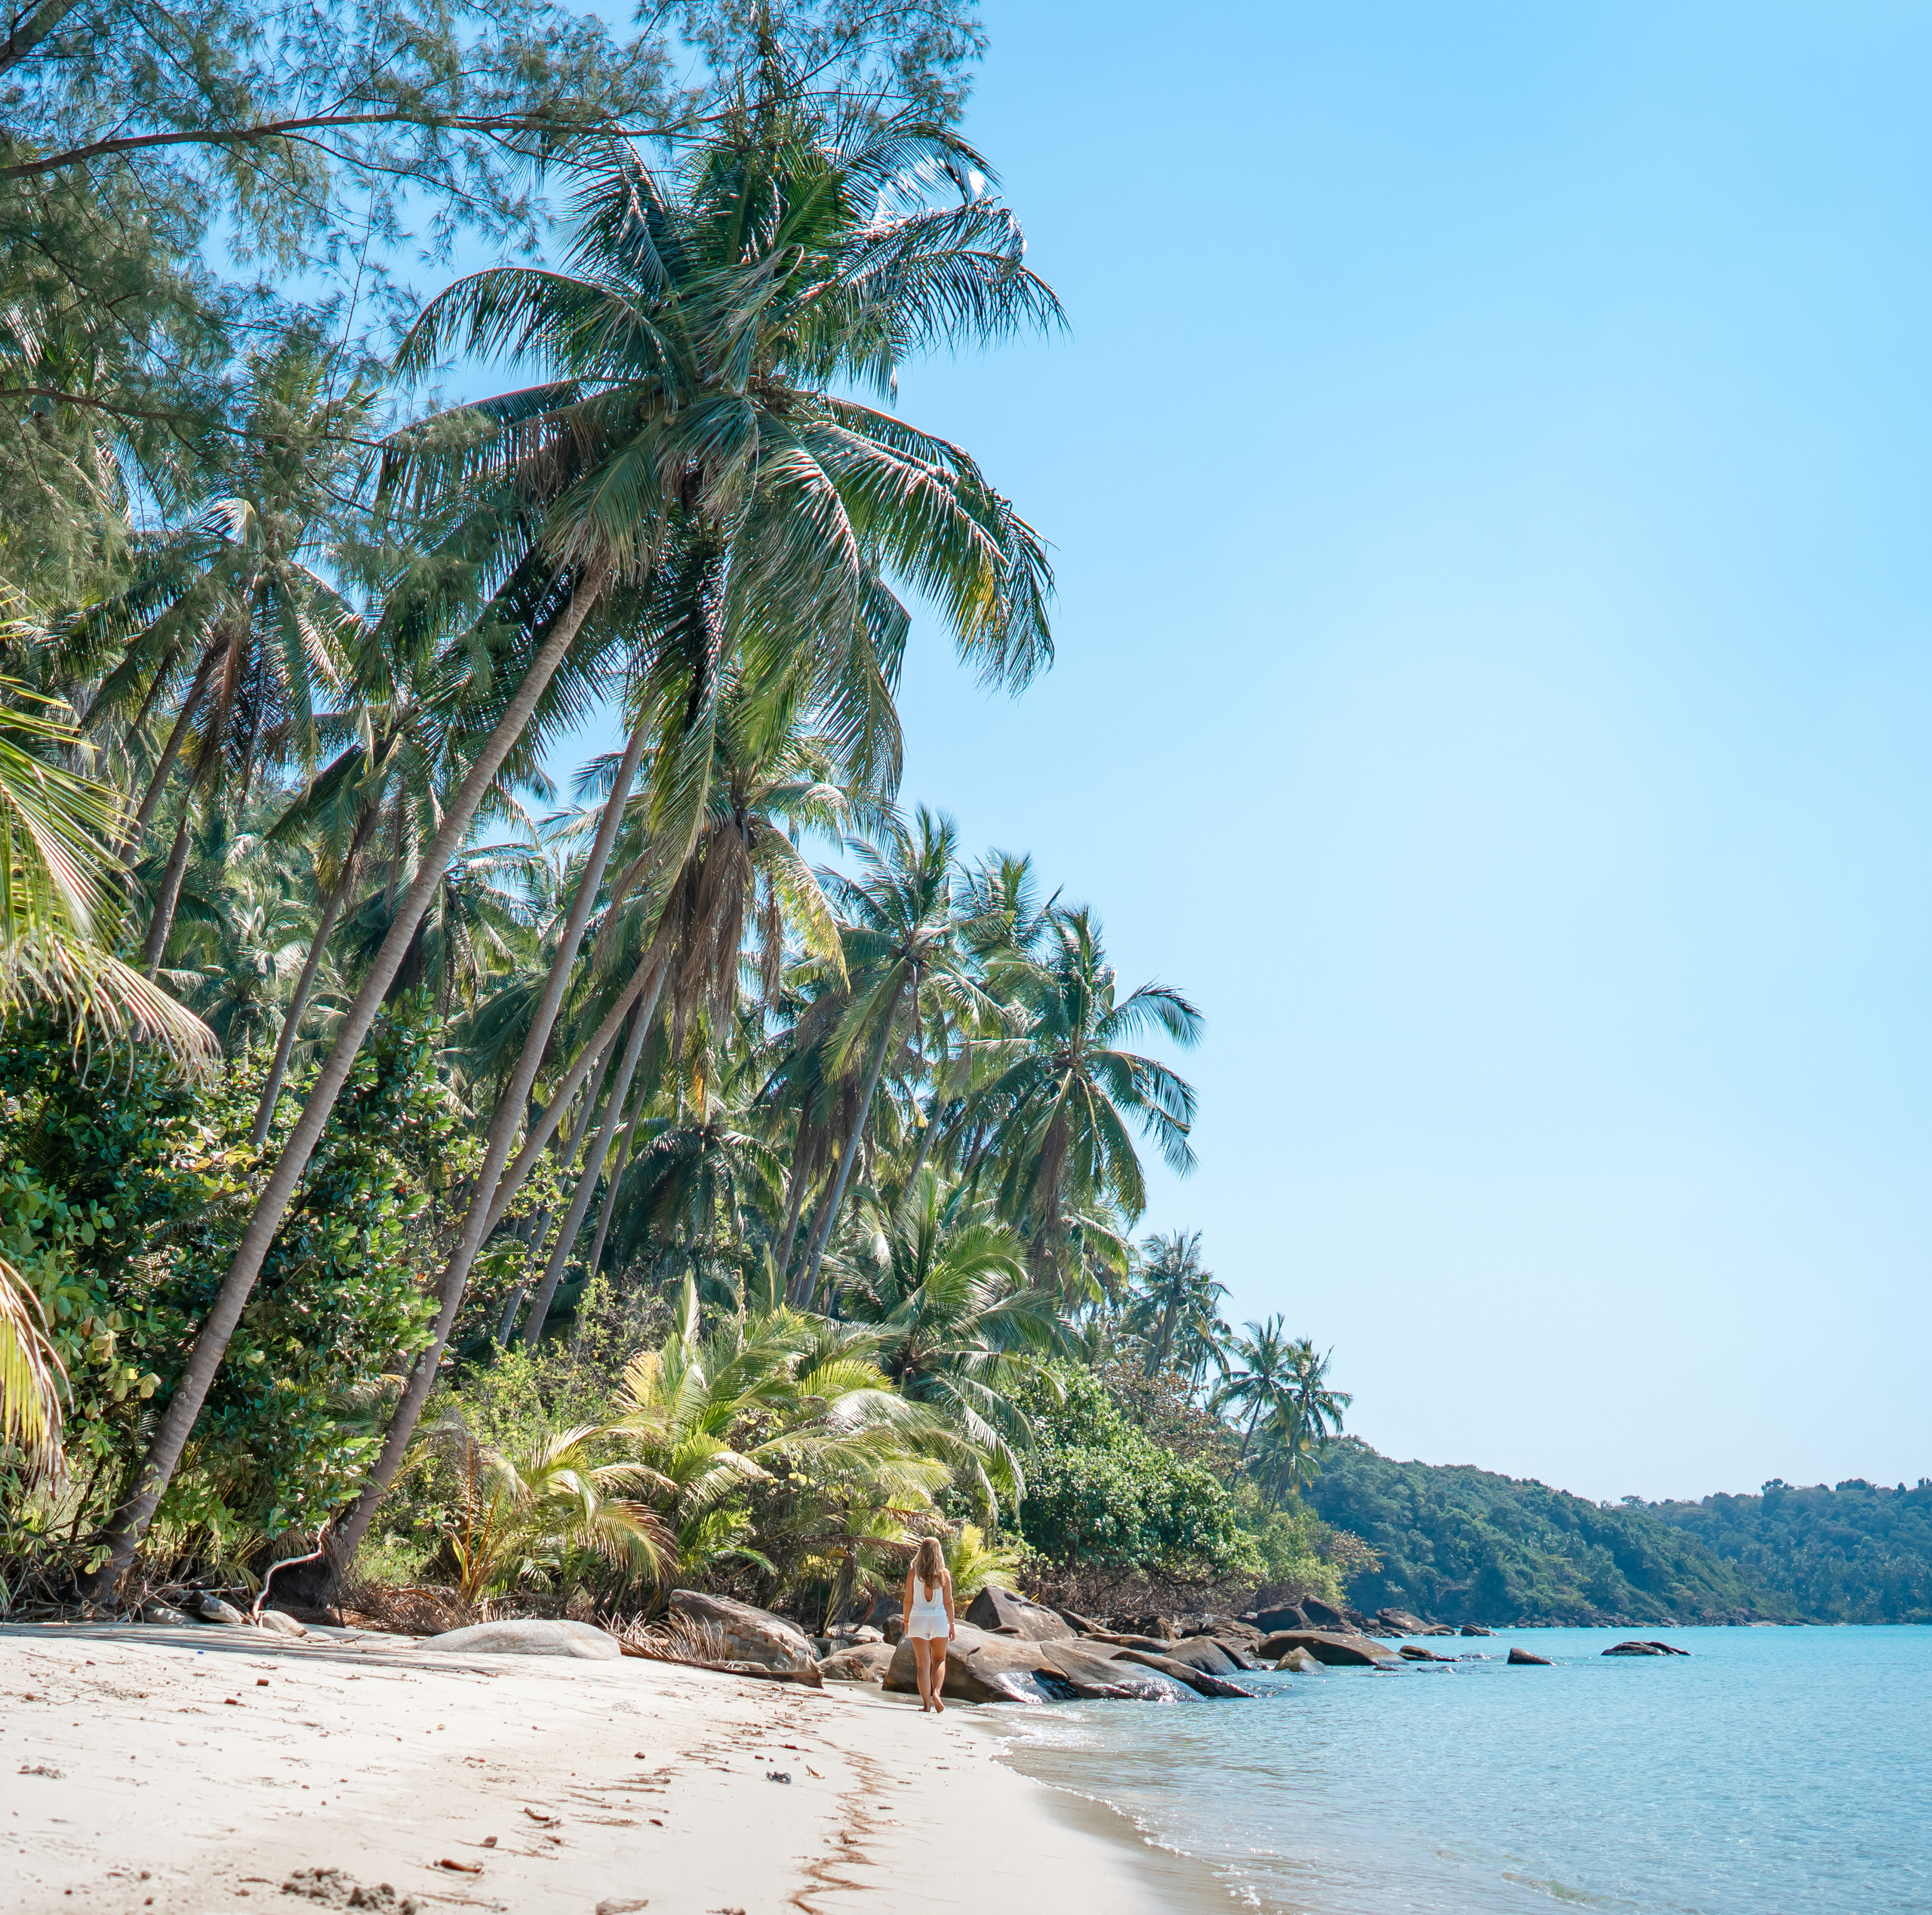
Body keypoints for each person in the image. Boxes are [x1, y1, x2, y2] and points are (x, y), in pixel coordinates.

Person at [900, 1536, 956, 1713]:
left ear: (922, 1551)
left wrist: (906, 1621)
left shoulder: (913, 1572)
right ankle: (937, 1693)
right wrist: (952, 1624)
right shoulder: (944, 1574)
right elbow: (949, 1602)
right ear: (938, 1552)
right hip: (939, 1620)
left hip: (917, 1619)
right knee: (939, 1660)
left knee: (922, 1665)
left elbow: (908, 1599)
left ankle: (926, 1705)